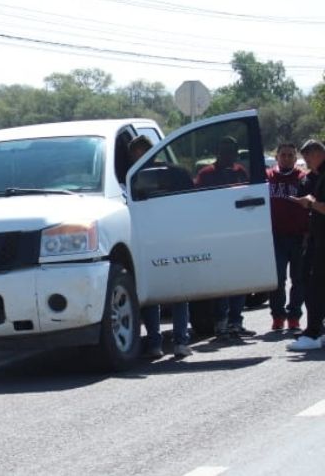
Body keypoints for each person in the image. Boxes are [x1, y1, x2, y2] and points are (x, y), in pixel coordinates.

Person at [127, 135, 192, 358]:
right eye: (137, 154)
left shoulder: (136, 178)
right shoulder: (131, 179)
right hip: (152, 241)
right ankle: (161, 343)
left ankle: (176, 342)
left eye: (141, 152)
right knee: (159, 293)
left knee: (175, 291)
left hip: (163, 239)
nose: (139, 158)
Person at [195, 136, 255, 340]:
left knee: (240, 280)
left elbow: (250, 198)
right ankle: (221, 323)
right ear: (217, 152)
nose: (228, 155)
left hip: (239, 233)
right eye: (224, 151)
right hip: (216, 234)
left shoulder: (240, 172)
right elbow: (197, 202)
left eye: (231, 151)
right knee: (223, 281)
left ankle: (236, 322)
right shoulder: (206, 174)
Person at [286, 139, 325, 351]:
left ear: (317, 153)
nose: (306, 162)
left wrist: (310, 203)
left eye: (308, 157)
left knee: (315, 286)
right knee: (313, 283)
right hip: (316, 238)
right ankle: (317, 328)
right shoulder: (316, 176)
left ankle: (313, 332)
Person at [266, 143, 308, 331]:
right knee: (278, 278)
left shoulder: (302, 178)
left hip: (299, 236)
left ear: (296, 157)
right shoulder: (268, 177)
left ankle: (294, 316)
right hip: (275, 236)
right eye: (283, 155)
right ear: (277, 157)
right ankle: (277, 315)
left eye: (291, 155)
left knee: (298, 279)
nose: (287, 158)